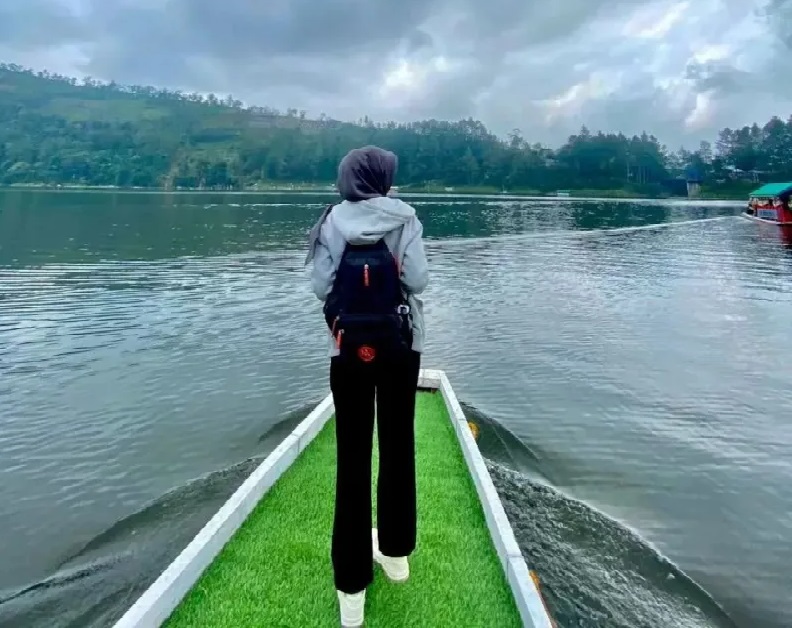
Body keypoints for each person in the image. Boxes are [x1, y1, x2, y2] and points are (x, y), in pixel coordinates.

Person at [305, 145, 428, 627]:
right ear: (383, 178)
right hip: (401, 346)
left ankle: (350, 590)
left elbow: (320, 288)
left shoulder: (331, 220)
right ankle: (395, 557)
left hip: (348, 348)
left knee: (351, 461)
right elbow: (418, 281)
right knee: (398, 447)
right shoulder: (406, 219)